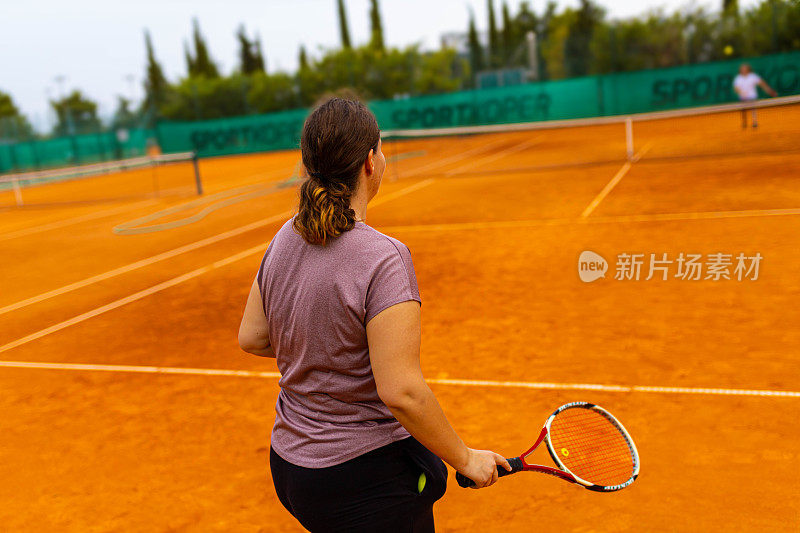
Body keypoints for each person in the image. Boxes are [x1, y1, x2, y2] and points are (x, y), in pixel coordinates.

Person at [238, 97, 510, 532]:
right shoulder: (384, 259)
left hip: (292, 470)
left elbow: (252, 337)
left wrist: (322, 353)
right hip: (363, 479)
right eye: (380, 149)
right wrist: (465, 458)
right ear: (369, 161)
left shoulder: (283, 237)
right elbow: (401, 390)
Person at [733, 63, 777, 129]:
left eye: (745, 69)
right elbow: (736, 88)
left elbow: (762, 84)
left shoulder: (753, 76)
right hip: (742, 97)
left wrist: (770, 91)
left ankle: (754, 123)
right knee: (743, 111)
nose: (744, 70)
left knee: (753, 109)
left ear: (748, 69)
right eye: (742, 69)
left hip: (752, 96)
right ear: (740, 70)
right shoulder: (738, 78)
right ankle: (744, 123)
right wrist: (741, 93)